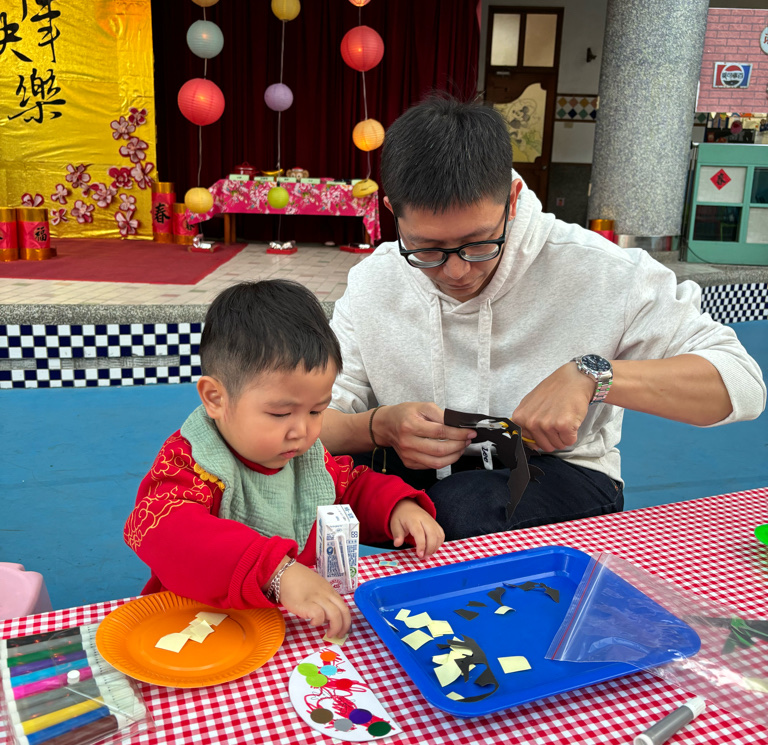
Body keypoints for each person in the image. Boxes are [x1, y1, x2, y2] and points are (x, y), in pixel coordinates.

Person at [321, 94, 766, 538]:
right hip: (413, 464)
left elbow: (741, 384)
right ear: (392, 212)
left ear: (512, 200)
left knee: (460, 510)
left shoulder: (601, 270)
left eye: (479, 244)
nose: (456, 272)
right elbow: (312, 419)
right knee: (305, 483)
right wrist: (377, 427)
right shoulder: (374, 280)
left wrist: (595, 376)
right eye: (427, 249)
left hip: (558, 471)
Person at [124, 280, 444, 640]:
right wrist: (276, 571)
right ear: (215, 398)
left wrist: (396, 506)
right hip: (197, 628)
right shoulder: (191, 463)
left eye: (317, 411)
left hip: (291, 623)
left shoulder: (306, 456)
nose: (302, 431)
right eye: (280, 414)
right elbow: (164, 530)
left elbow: (349, 487)